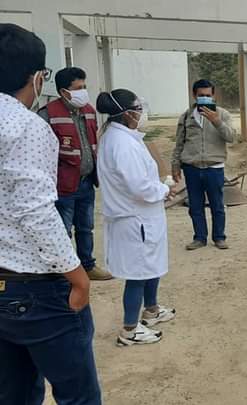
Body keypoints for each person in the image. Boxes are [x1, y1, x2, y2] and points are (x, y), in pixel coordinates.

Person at [0, 23, 101, 404]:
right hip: (35, 285)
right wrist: (77, 277)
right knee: (78, 395)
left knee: (13, 394)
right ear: (38, 77)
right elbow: (36, 212)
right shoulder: (27, 125)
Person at [96, 88, 176, 346]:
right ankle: (130, 329)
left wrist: (160, 188)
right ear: (127, 113)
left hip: (144, 216)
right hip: (135, 218)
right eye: (139, 109)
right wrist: (164, 189)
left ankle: (151, 310)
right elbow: (139, 186)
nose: (143, 114)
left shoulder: (124, 137)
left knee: (151, 265)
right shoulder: (122, 144)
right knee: (138, 273)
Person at [38, 67, 112, 281]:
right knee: (62, 230)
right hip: (63, 185)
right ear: (64, 92)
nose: (83, 91)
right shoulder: (48, 114)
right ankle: (64, 271)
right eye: (79, 88)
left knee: (85, 227)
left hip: (86, 181)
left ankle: (87, 265)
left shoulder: (88, 110)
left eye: (84, 86)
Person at [172, 79, 236, 251]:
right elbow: (179, 143)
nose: (205, 98)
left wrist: (217, 122)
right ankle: (199, 238)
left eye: (208, 95)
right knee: (195, 206)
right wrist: (175, 165)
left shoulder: (222, 114)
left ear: (213, 95)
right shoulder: (186, 116)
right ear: (194, 96)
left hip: (214, 167)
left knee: (217, 205)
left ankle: (219, 237)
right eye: (201, 95)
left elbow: (231, 137)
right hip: (191, 168)